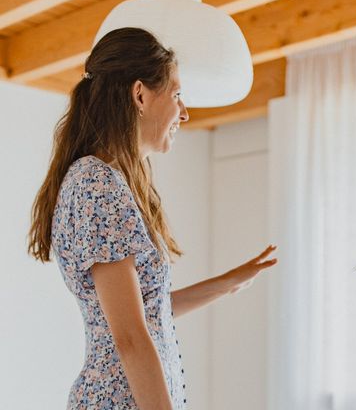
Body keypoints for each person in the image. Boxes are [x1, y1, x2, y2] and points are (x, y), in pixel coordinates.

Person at [27, 27, 277, 409]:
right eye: (177, 94)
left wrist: (227, 284)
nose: (185, 112)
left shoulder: (105, 181)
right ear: (140, 94)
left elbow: (145, 312)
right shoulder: (97, 183)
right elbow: (129, 337)